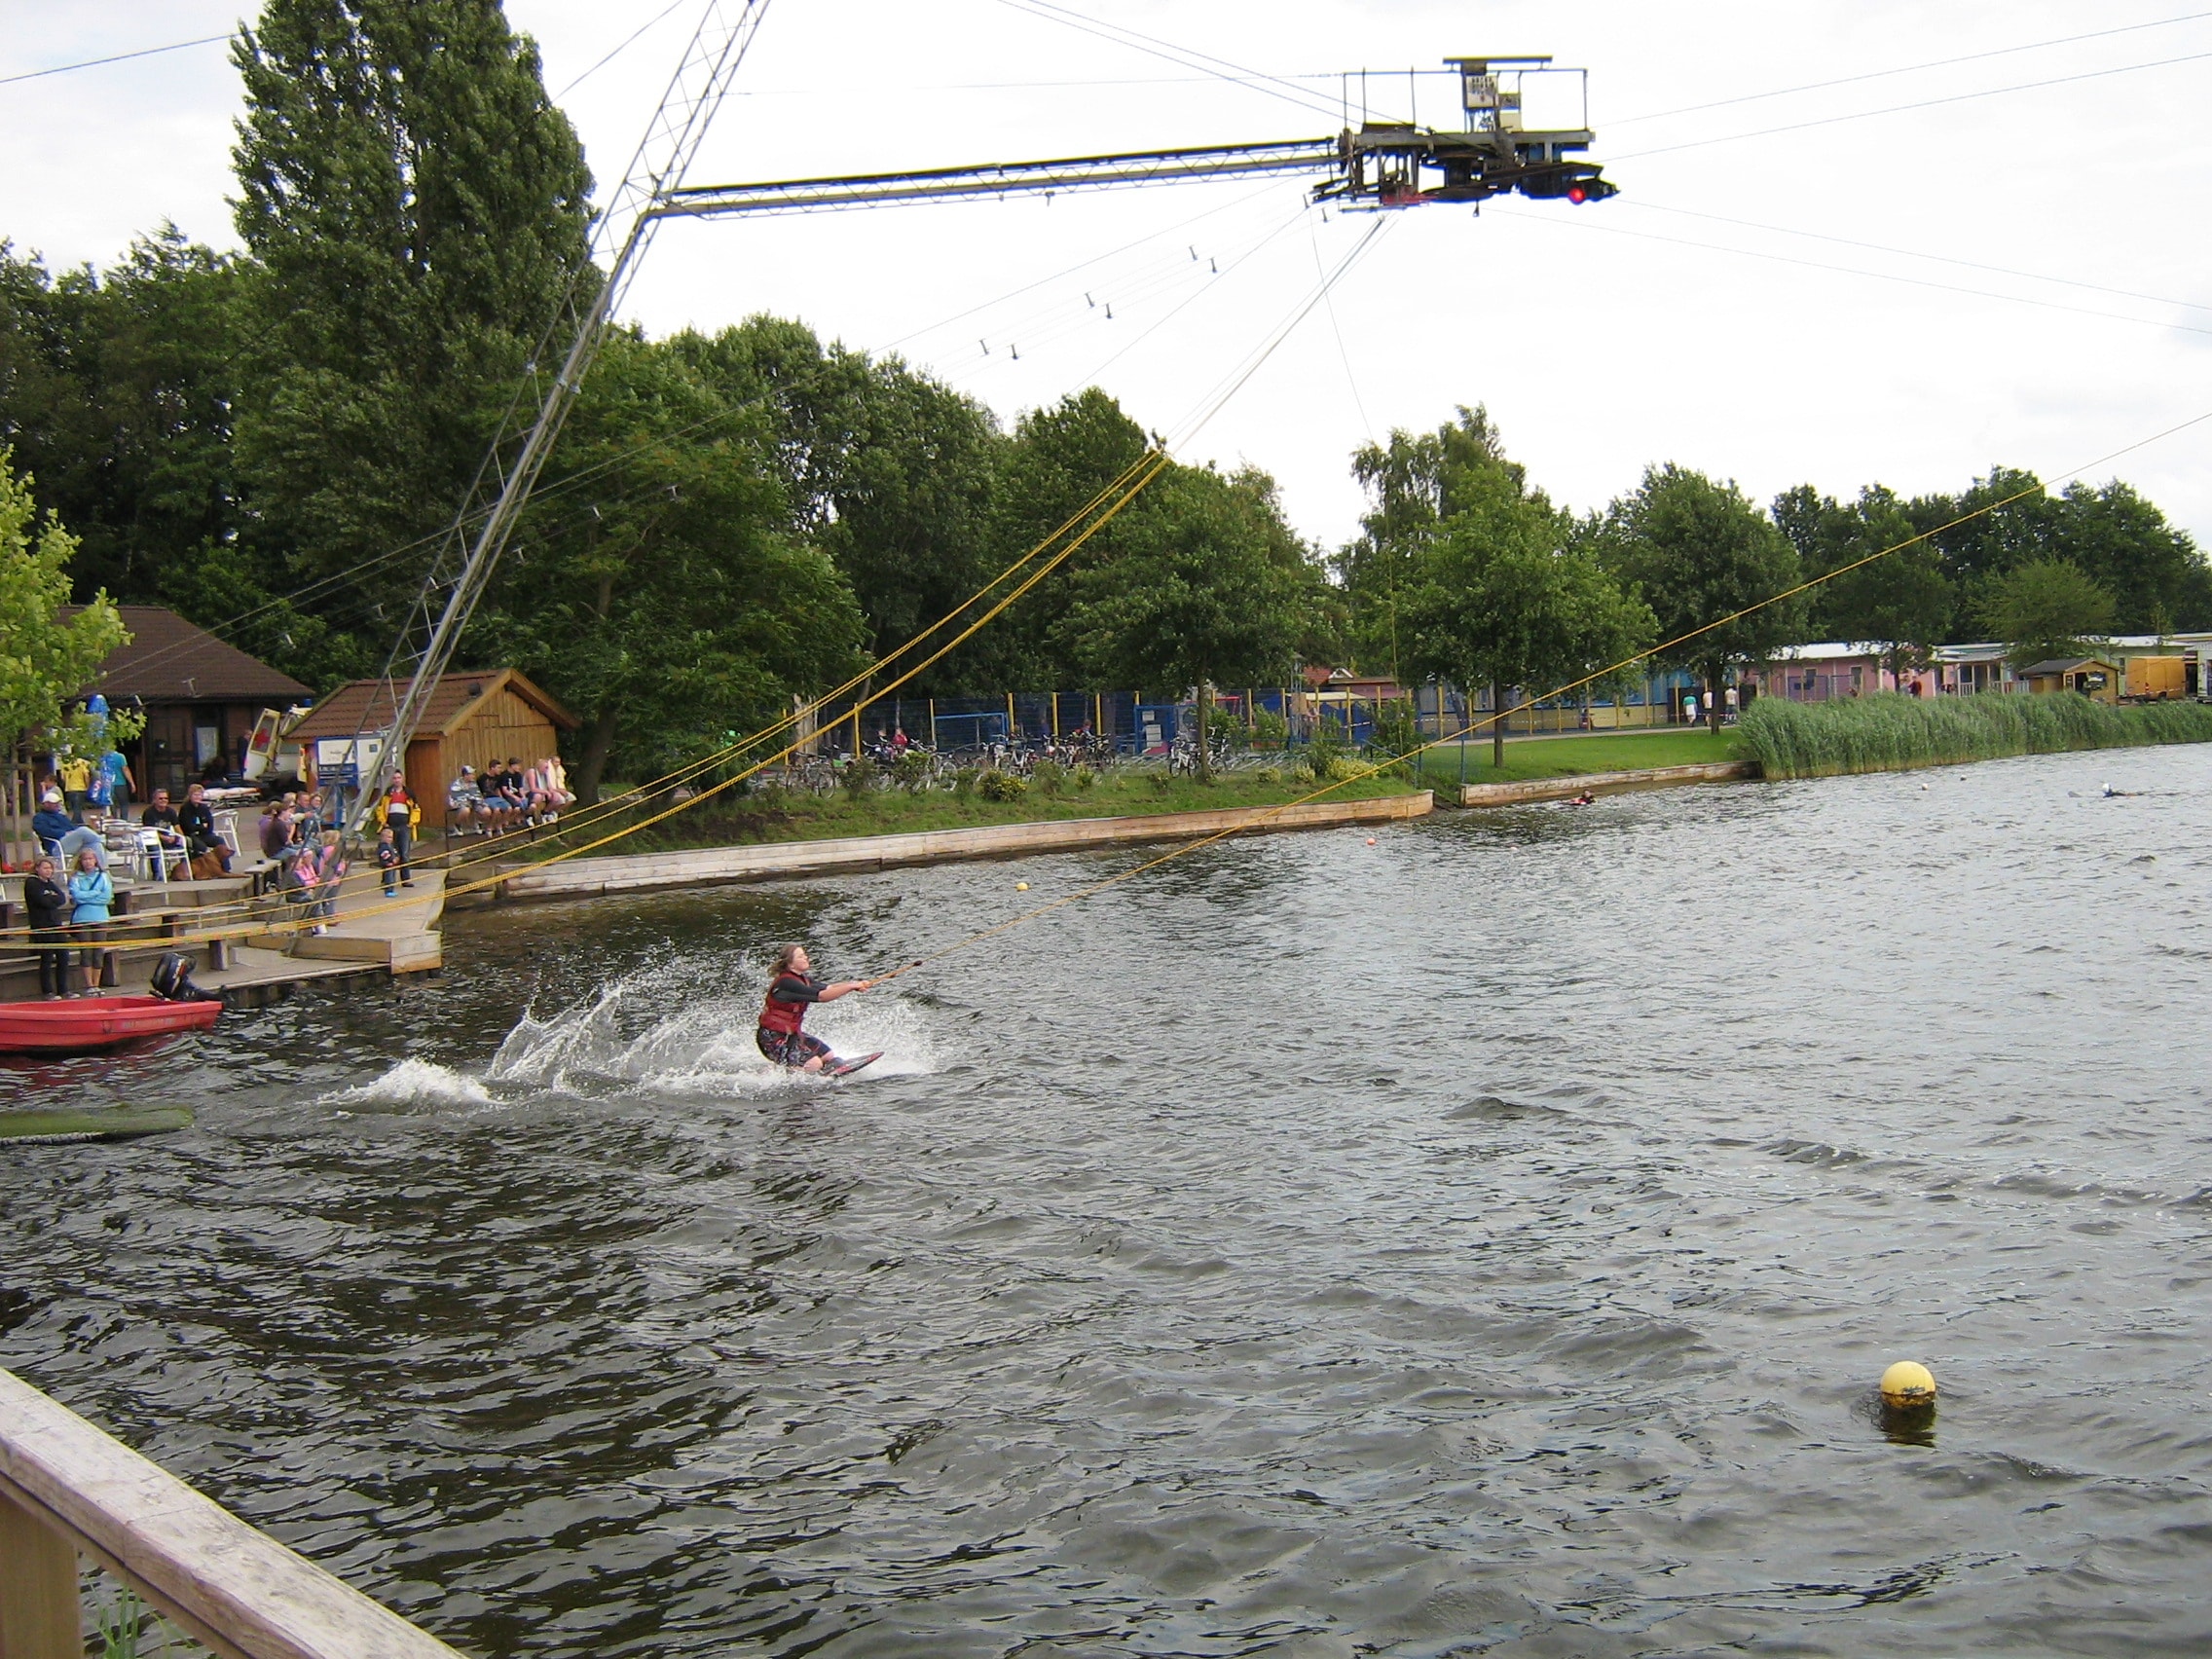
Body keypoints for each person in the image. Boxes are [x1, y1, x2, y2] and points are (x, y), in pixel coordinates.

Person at [756, 943, 873, 1073]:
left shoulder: (803, 980)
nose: (806, 958)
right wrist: (851, 987)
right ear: (791, 964)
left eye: (805, 955)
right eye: (801, 956)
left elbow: (829, 988)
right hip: (771, 1038)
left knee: (828, 1056)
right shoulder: (786, 983)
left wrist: (855, 984)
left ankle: (798, 1068)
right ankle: (789, 1073)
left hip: (791, 1034)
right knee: (815, 1064)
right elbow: (822, 997)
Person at [67, 846, 113, 995]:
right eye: (85, 859)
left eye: (91, 859)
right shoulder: (75, 878)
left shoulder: (103, 876)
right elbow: (76, 896)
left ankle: (97, 983)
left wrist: (86, 895)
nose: (88, 862)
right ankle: (89, 984)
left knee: (98, 951)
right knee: (85, 952)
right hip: (82, 918)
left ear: (95, 860)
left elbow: (106, 897)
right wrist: (94, 894)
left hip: (100, 917)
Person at [22, 856, 70, 998]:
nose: (48, 871)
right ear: (37, 869)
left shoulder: (50, 883)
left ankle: (63, 989)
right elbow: (43, 902)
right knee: (47, 958)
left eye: (50, 868)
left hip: (56, 923)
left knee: (63, 956)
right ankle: (47, 991)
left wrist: (51, 898)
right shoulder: (32, 883)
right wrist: (52, 898)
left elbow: (61, 898)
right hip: (42, 925)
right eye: (45, 868)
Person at [376, 774, 416, 886]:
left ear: (402, 779)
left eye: (399, 778)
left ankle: (406, 879)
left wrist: (411, 823)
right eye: (394, 778)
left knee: (404, 853)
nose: (397, 780)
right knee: (388, 853)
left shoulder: (408, 793)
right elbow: (380, 809)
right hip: (390, 826)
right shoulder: (388, 794)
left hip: (404, 826)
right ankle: (387, 880)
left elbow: (416, 808)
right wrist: (384, 822)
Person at [177, 783, 218, 855]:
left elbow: (210, 825)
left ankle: (224, 866)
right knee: (202, 848)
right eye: (195, 795)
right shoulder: (185, 808)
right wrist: (202, 826)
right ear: (190, 796)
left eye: (199, 795)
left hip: (204, 834)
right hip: (191, 835)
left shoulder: (204, 808)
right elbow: (188, 827)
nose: (197, 797)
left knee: (221, 843)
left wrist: (198, 827)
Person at [100, 748, 135, 821]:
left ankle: (114, 819)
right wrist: (132, 783)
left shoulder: (103, 758)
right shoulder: (120, 756)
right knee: (124, 804)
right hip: (120, 783)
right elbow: (125, 769)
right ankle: (124, 820)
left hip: (108, 784)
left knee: (111, 803)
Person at [447, 764, 480, 834]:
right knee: (466, 810)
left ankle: (477, 824)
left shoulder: (473, 783)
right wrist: (469, 799)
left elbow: (477, 794)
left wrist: (476, 800)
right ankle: (457, 825)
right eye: (471, 774)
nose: (473, 776)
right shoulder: (457, 784)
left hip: (472, 802)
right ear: (466, 775)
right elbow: (456, 797)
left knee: (486, 811)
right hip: (459, 803)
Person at [57, 753, 91, 821]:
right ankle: (76, 823)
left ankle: (79, 822)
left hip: (69, 789)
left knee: (75, 808)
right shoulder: (82, 762)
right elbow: (86, 775)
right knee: (78, 808)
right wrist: (87, 786)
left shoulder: (65, 764)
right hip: (80, 788)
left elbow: (62, 778)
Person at [375, 826, 402, 897]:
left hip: (392, 864)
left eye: (391, 837)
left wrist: (397, 857)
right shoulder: (383, 846)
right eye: (388, 837)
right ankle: (388, 891)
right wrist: (391, 860)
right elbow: (384, 854)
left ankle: (391, 890)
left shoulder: (390, 845)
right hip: (387, 864)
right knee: (389, 878)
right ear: (383, 838)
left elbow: (394, 851)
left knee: (393, 878)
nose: (390, 839)